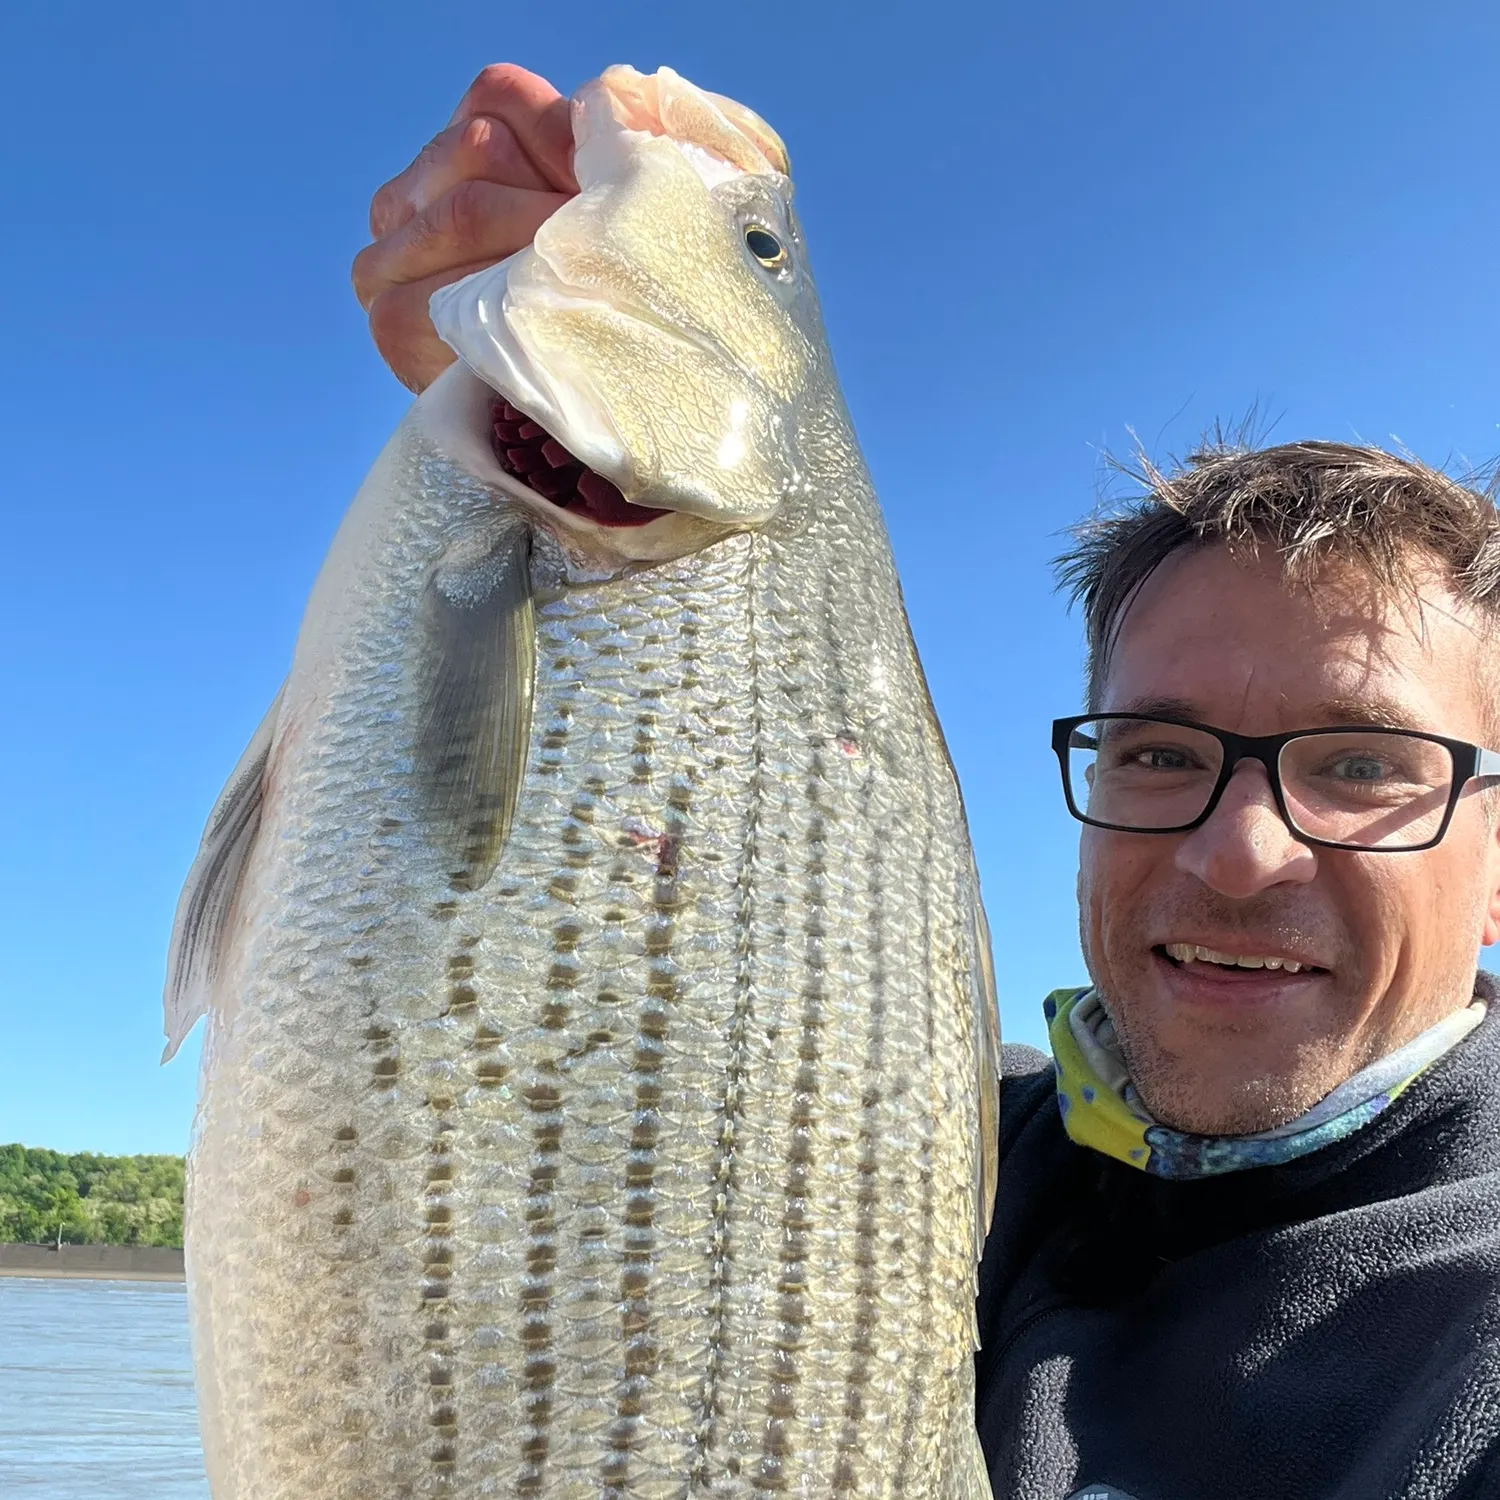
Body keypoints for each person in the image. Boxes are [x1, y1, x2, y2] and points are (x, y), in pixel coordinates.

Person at [356, 65, 1500, 1500]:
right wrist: (499, 409)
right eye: (1159, 752)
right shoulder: (933, 1144)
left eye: (1362, 765)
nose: (1239, 850)